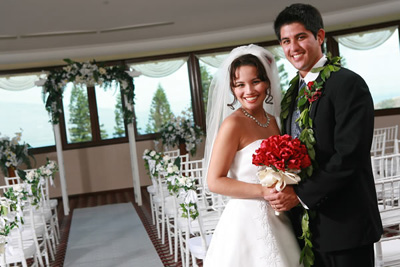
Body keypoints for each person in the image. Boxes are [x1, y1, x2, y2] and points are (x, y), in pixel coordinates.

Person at [265, 3, 383, 267]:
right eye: (285, 41)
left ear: (319, 36)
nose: (292, 47)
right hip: (306, 230)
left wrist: (300, 195)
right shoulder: (292, 92)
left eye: (300, 37)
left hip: (346, 224)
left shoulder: (347, 84)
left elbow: (349, 155)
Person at [203, 44, 302, 267]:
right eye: (240, 85)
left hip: (279, 218)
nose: (249, 91)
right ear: (232, 88)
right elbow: (214, 181)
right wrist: (263, 191)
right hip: (245, 221)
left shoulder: (273, 121)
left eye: (255, 81)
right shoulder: (233, 124)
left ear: (267, 82)